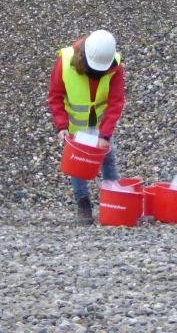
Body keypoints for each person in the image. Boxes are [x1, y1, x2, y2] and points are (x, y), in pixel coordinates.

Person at [48, 29, 125, 224]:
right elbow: (55, 96)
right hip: (75, 126)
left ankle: (113, 204)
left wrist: (105, 135)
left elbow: (116, 101)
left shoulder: (114, 65)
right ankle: (83, 206)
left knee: (108, 159)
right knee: (77, 166)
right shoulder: (65, 62)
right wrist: (61, 126)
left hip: (101, 124)